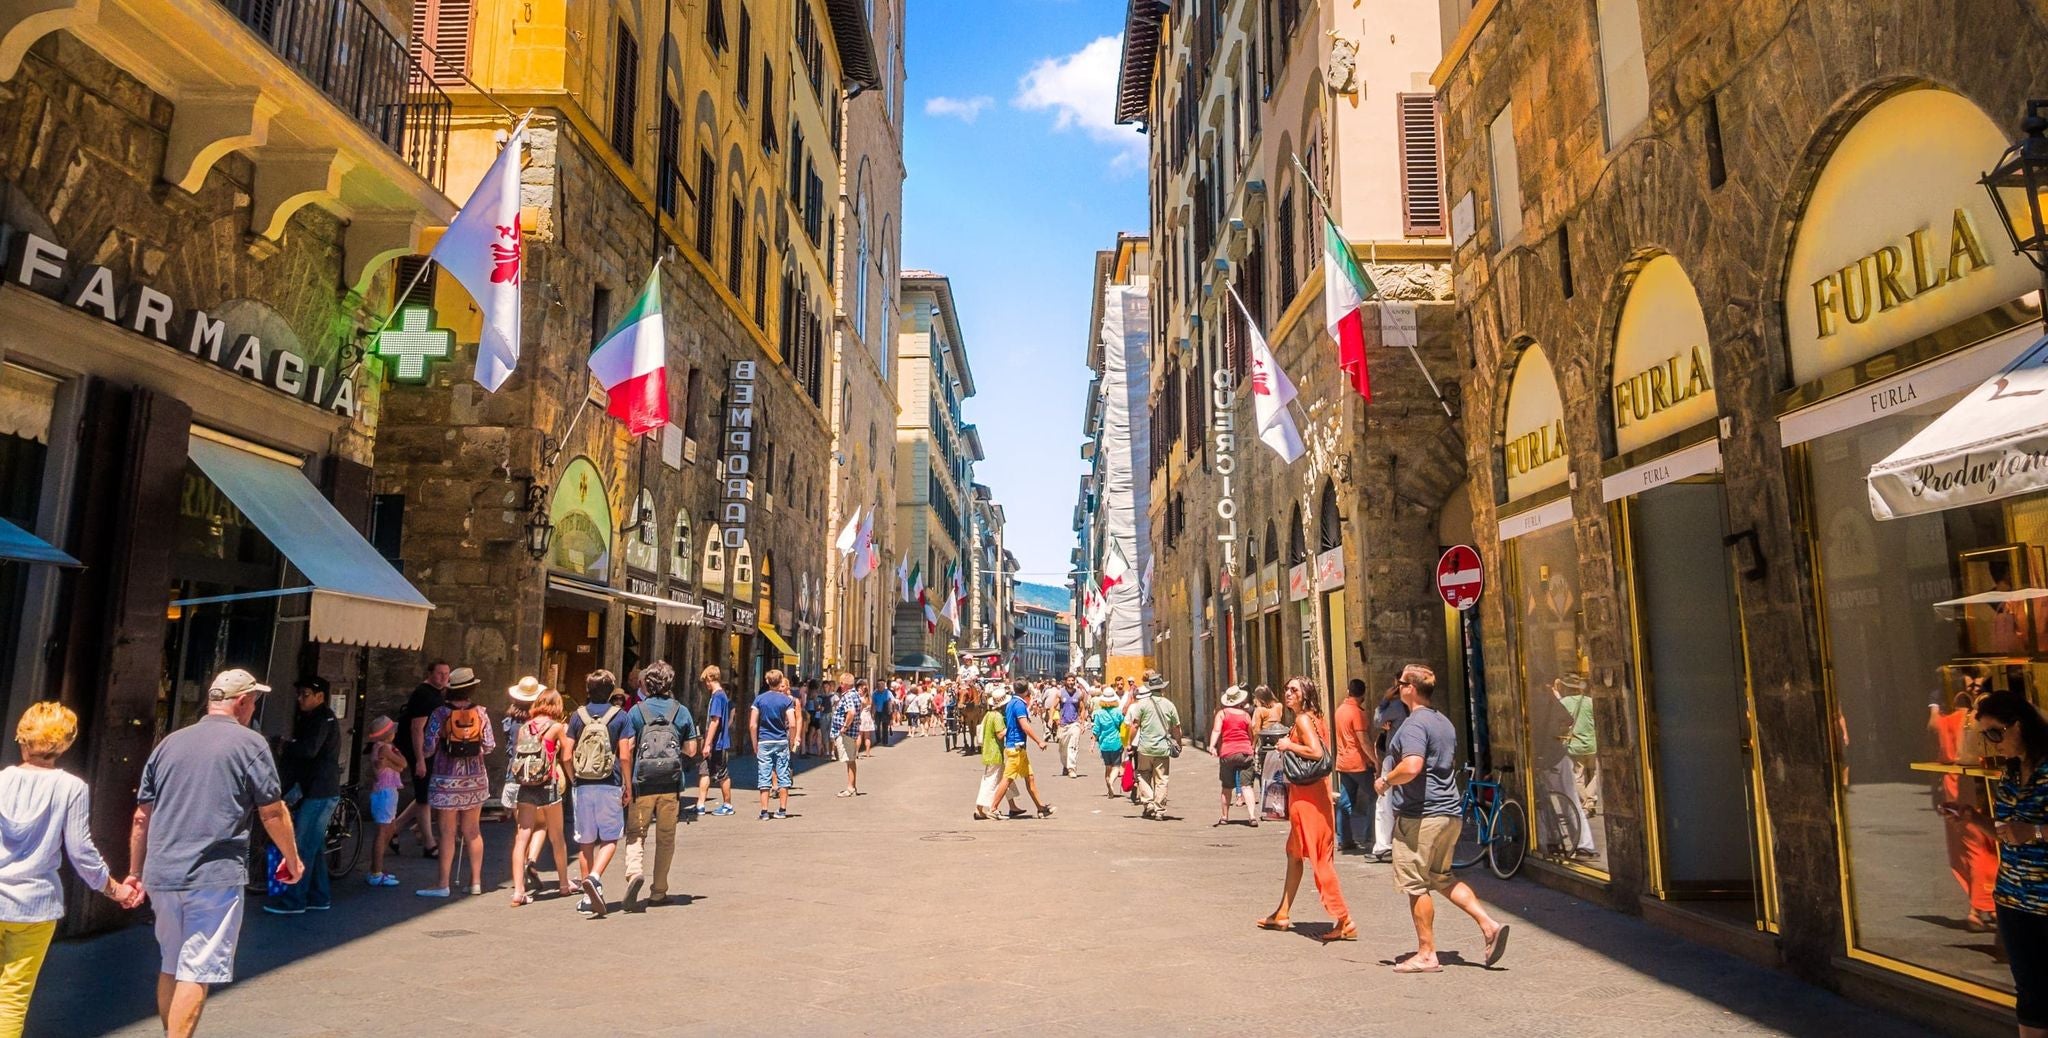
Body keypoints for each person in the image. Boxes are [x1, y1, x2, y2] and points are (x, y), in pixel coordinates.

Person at [126, 669, 302, 1038]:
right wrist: (292, 857)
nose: (254, 707)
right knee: (198, 970)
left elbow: (142, 816)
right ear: (242, 703)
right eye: (254, 700)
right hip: (213, 876)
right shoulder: (250, 744)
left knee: (171, 964)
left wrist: (135, 871)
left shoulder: (169, 743)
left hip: (163, 873)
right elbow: (272, 811)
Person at [0, 703, 139, 1038]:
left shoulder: (1, 781)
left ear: (23, 738)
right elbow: (80, 850)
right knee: (12, 998)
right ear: (63, 744)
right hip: (34, 906)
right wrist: (113, 888)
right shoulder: (69, 787)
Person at [1377, 664, 1508, 972]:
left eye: (1399, 684)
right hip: (1449, 813)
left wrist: (1385, 780)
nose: (1396, 688)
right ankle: (1489, 925)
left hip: (1421, 815)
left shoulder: (1413, 725)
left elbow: (1412, 766)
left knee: (1416, 884)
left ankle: (1426, 953)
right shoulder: (1444, 722)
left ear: (1410, 688)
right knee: (1442, 877)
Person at [1256, 677, 1353, 943]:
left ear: (1305, 694)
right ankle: (1282, 912)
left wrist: (1288, 745)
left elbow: (1315, 752)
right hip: (1314, 794)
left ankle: (1344, 919)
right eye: (1286, 689)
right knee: (1294, 852)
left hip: (1306, 798)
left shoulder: (1302, 720)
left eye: (1294, 690)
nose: (1288, 693)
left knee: (1320, 858)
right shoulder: (1315, 717)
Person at [1977, 690, 2048, 1037]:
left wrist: (2034, 831)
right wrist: (1972, 818)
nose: (1992, 744)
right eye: (1985, 736)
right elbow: (2008, 832)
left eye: (1995, 733)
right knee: (2030, 994)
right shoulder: (2009, 775)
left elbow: (2025, 831)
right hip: (2013, 900)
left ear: (2017, 726)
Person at [624, 661, 697, 912]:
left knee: (636, 833)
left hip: (642, 782)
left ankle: (634, 872)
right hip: (671, 783)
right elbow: (691, 749)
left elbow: (628, 748)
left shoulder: (636, 711)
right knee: (666, 837)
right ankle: (659, 891)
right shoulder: (681, 711)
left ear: (647, 683)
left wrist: (626, 782)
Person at [266, 676, 341, 914]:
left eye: (305, 694)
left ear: (320, 697)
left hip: (320, 790)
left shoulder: (322, 719)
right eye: (299, 694)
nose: (300, 699)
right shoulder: (314, 718)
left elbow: (309, 750)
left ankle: (293, 900)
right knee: (314, 846)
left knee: (302, 847)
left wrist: (285, 745)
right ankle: (319, 896)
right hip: (318, 789)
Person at [415, 667, 493, 898]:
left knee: (447, 833)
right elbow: (489, 746)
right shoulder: (481, 713)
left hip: (445, 780)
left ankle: (442, 884)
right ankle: (476, 882)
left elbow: (428, 748)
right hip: (475, 779)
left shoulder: (440, 713)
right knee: (473, 831)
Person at [568, 670, 634, 917]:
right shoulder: (621, 717)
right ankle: (595, 878)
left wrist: (573, 777)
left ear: (588, 690)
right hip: (610, 781)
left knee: (585, 841)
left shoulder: (577, 716)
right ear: (612, 691)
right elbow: (625, 755)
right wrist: (627, 785)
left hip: (583, 784)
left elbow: (566, 753)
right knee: (609, 838)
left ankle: (587, 898)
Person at [1933, 674, 1997, 931]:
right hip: (1972, 785)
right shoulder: (1971, 720)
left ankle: (1981, 905)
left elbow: (1942, 748)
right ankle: (1979, 906)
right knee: (1981, 846)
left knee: (1970, 846)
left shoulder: (1948, 721)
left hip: (1956, 784)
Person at [506, 687, 574, 907]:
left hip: (525, 786)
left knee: (522, 836)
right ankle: (564, 884)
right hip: (548, 784)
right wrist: (574, 779)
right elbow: (566, 756)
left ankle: (518, 891)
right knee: (557, 836)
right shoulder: (556, 728)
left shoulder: (524, 728)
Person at [394, 661, 450, 857]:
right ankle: (429, 843)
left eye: (446, 674)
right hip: (419, 749)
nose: (444, 677)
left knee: (424, 793)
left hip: (428, 749)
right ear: (430, 673)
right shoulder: (424, 695)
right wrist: (419, 759)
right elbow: (416, 728)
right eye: (440, 673)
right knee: (424, 796)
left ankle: (395, 828)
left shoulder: (435, 693)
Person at [987, 680, 1055, 818]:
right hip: (1016, 747)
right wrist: (1039, 741)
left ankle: (1040, 808)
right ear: (1026, 691)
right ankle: (993, 808)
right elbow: (1024, 725)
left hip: (1018, 748)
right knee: (1007, 779)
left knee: (1030, 778)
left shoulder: (1011, 702)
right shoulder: (1019, 705)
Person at [362, 716, 407, 887]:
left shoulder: (378, 747)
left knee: (388, 829)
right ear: (388, 733)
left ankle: (377, 869)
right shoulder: (386, 748)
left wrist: (393, 764)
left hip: (384, 791)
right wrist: (396, 763)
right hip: (385, 792)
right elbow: (403, 763)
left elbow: (399, 766)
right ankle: (375, 872)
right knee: (383, 831)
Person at [1129, 677, 1182, 820]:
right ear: (1162, 688)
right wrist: (1179, 742)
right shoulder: (1169, 705)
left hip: (1145, 748)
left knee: (1142, 774)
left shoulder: (1142, 705)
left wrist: (1129, 742)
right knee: (1162, 779)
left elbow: (1134, 725)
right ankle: (1159, 809)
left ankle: (1148, 802)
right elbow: (1176, 727)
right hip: (1162, 748)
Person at [1333, 678, 1375, 854]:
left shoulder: (1340, 710)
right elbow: (1363, 740)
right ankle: (1370, 836)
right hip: (1357, 762)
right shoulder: (1357, 713)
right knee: (1376, 797)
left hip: (1343, 762)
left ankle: (1344, 838)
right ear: (1363, 694)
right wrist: (1374, 760)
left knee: (1344, 800)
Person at [1369, 682, 1410, 861]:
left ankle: (1383, 845)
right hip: (1410, 758)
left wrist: (1385, 699)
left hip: (1394, 758)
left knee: (1384, 802)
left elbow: (1377, 720)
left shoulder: (1396, 706)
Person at [974, 687, 1028, 820]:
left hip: (989, 751)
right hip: (995, 753)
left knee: (1005, 779)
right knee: (991, 781)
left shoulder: (988, 714)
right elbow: (1000, 734)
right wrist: (1011, 726)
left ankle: (1012, 806)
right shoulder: (997, 716)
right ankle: (980, 808)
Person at [752, 670, 799, 819]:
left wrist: (755, 743)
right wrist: (791, 741)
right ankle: (782, 810)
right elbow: (792, 724)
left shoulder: (759, 700)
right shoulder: (786, 701)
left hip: (764, 740)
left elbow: (753, 724)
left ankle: (764, 811)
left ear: (767, 681)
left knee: (764, 775)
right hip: (781, 740)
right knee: (783, 774)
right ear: (780, 682)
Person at [1553, 673, 1600, 817]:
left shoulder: (1564, 702)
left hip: (1575, 745)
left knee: (1577, 776)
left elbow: (1560, 718)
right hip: (1592, 744)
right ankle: (1590, 801)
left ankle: (1585, 803)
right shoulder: (1590, 702)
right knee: (1595, 774)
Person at [1211, 685, 1257, 827]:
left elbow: (1216, 730)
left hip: (1227, 753)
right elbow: (1252, 734)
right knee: (1247, 786)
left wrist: (1212, 746)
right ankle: (1252, 816)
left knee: (1226, 787)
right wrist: (1252, 746)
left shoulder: (1222, 714)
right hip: (1245, 753)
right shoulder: (1245, 715)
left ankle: (1224, 817)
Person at [694, 665, 736, 816]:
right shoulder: (720, 695)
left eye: (706, 680)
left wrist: (707, 743)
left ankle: (727, 804)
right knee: (704, 771)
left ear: (711, 678)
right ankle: (700, 803)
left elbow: (715, 721)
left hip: (718, 743)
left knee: (722, 774)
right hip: (715, 742)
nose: (705, 684)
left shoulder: (718, 696)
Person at [831, 672, 863, 797]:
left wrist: (844, 727)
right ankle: (852, 786)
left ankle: (850, 787)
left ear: (844, 684)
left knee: (849, 760)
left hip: (848, 732)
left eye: (841, 683)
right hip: (852, 731)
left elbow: (851, 712)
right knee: (850, 760)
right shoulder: (854, 694)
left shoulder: (848, 696)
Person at [1090, 691, 1126, 799]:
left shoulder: (1099, 713)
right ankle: (1111, 781)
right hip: (1116, 742)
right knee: (1116, 766)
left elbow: (1096, 730)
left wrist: (1092, 743)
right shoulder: (1118, 712)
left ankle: (1109, 791)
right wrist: (1125, 741)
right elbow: (1123, 727)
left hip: (1104, 744)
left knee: (1107, 766)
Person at [1056, 679, 1088, 776]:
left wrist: (1082, 722)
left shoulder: (1079, 694)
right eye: (1069, 681)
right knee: (1063, 748)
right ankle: (1065, 765)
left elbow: (1082, 708)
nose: (1071, 682)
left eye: (1072, 681)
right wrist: (1052, 719)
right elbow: (1053, 707)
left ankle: (1071, 768)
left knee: (1073, 746)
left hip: (1075, 723)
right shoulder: (1060, 693)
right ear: (1065, 681)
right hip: (1063, 724)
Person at [871, 678, 894, 749]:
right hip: (877, 712)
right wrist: (872, 713)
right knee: (876, 726)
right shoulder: (875, 693)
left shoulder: (888, 692)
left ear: (884, 685)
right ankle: (878, 740)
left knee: (885, 726)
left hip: (885, 712)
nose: (881, 686)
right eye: (879, 685)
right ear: (877, 685)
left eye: (882, 684)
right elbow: (873, 704)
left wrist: (891, 713)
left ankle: (885, 741)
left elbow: (892, 702)